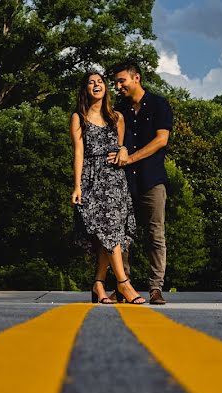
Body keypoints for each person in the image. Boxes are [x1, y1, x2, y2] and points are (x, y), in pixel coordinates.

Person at [70, 71, 146, 304]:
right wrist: (77, 186)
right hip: (92, 179)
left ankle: (98, 285)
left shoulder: (117, 118)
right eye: (91, 82)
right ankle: (124, 284)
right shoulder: (79, 117)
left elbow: (121, 147)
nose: (96, 85)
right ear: (85, 89)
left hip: (115, 180)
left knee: (112, 231)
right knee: (108, 230)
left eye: (100, 82)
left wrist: (124, 151)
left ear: (105, 88)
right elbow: (79, 152)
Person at [109, 62, 173, 305]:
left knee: (155, 234)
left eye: (121, 81)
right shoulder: (119, 108)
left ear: (136, 78)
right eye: (115, 82)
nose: (118, 86)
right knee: (123, 235)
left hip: (152, 179)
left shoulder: (159, 104)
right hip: (124, 181)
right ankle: (124, 286)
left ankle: (155, 288)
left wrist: (131, 158)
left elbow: (161, 140)